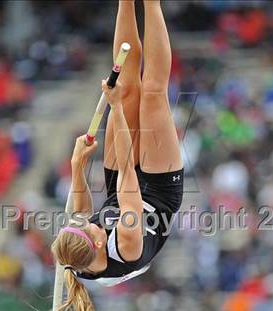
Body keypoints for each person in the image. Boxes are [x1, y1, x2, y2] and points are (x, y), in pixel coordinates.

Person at [51, 1, 183, 310]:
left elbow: (81, 211)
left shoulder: (75, 252)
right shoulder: (126, 246)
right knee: (151, 94)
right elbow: (126, 171)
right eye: (92, 228)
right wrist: (116, 108)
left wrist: (77, 165)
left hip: (120, 190)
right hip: (158, 193)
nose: (87, 222)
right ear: (99, 242)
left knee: (124, 88)